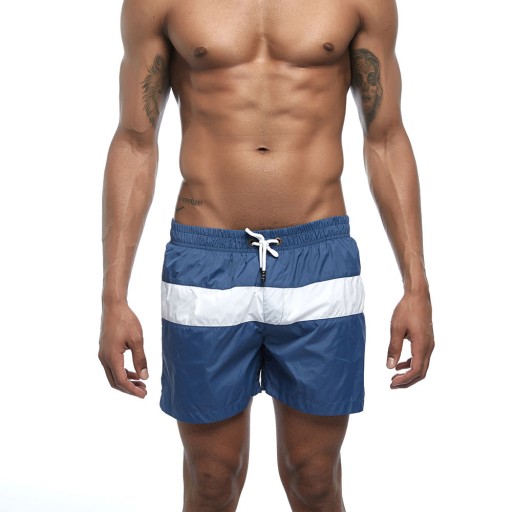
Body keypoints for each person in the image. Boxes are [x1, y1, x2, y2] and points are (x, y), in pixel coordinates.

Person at [98, 0, 435, 510]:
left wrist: (416, 287)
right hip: (205, 258)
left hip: (319, 256)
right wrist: (113, 298)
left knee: (314, 477)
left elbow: (385, 137)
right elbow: (134, 142)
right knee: (212, 480)